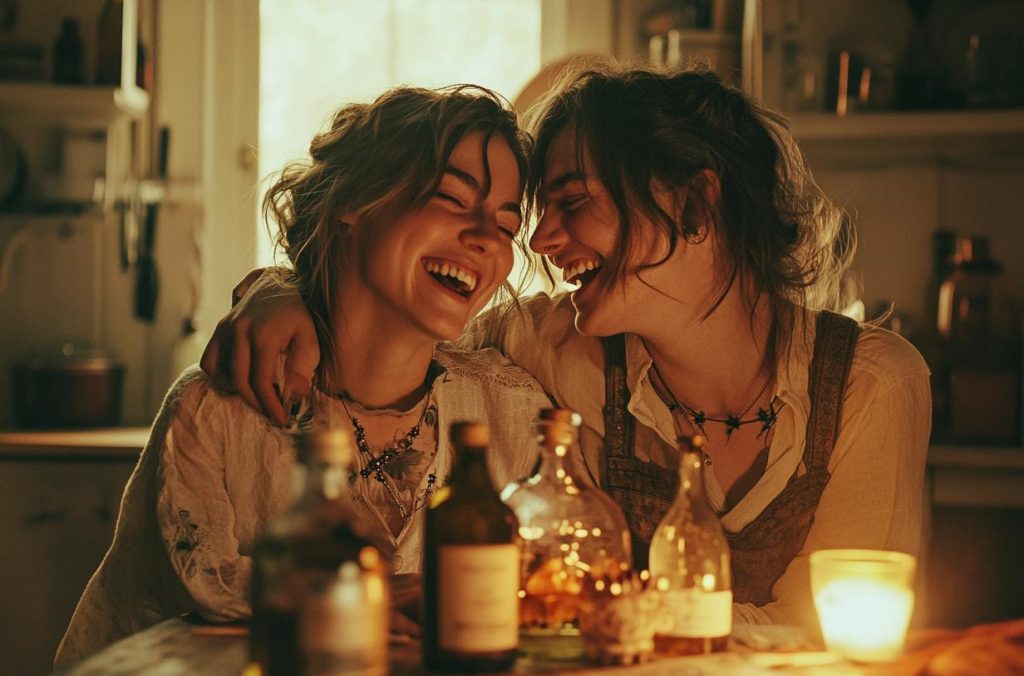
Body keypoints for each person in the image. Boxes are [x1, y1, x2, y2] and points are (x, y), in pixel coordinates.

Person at [201, 63, 931, 631]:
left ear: (696, 203)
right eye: (540, 213)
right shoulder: (560, 349)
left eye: (573, 202)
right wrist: (278, 287)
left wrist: (607, 616)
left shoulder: (870, 386)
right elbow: (392, 319)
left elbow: (818, 638)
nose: (542, 242)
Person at [56, 85, 553, 666]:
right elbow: (201, 591)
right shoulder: (219, 411)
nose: (486, 238)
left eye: (505, 223)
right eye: (449, 197)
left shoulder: (518, 417)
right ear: (355, 202)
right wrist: (354, 599)